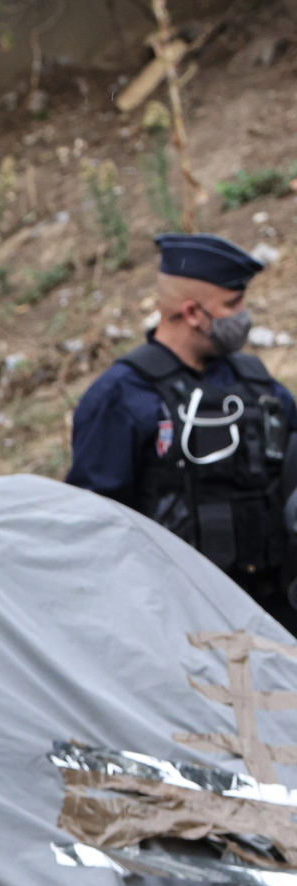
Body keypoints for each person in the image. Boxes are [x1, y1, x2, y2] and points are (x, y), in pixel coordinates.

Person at [68, 232, 297, 625]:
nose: (244, 315)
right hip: (177, 620)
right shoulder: (121, 399)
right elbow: (91, 527)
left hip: (274, 612)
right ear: (191, 313)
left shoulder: (259, 385)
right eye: (232, 304)